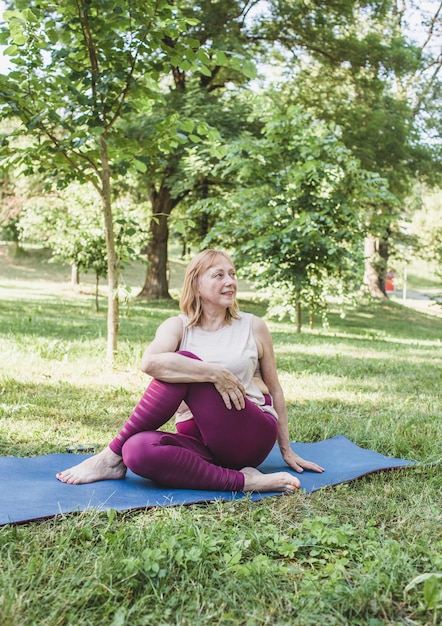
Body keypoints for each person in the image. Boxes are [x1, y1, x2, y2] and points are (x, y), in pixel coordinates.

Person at [57, 249, 324, 492]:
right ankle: (246, 481)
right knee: (136, 451)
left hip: (247, 433)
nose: (230, 281)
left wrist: (286, 450)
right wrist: (213, 373)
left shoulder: (253, 326)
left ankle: (107, 457)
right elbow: (149, 363)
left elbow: (274, 388)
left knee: (182, 361)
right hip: (199, 441)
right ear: (196, 284)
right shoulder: (177, 326)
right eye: (218, 275)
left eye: (232, 274)